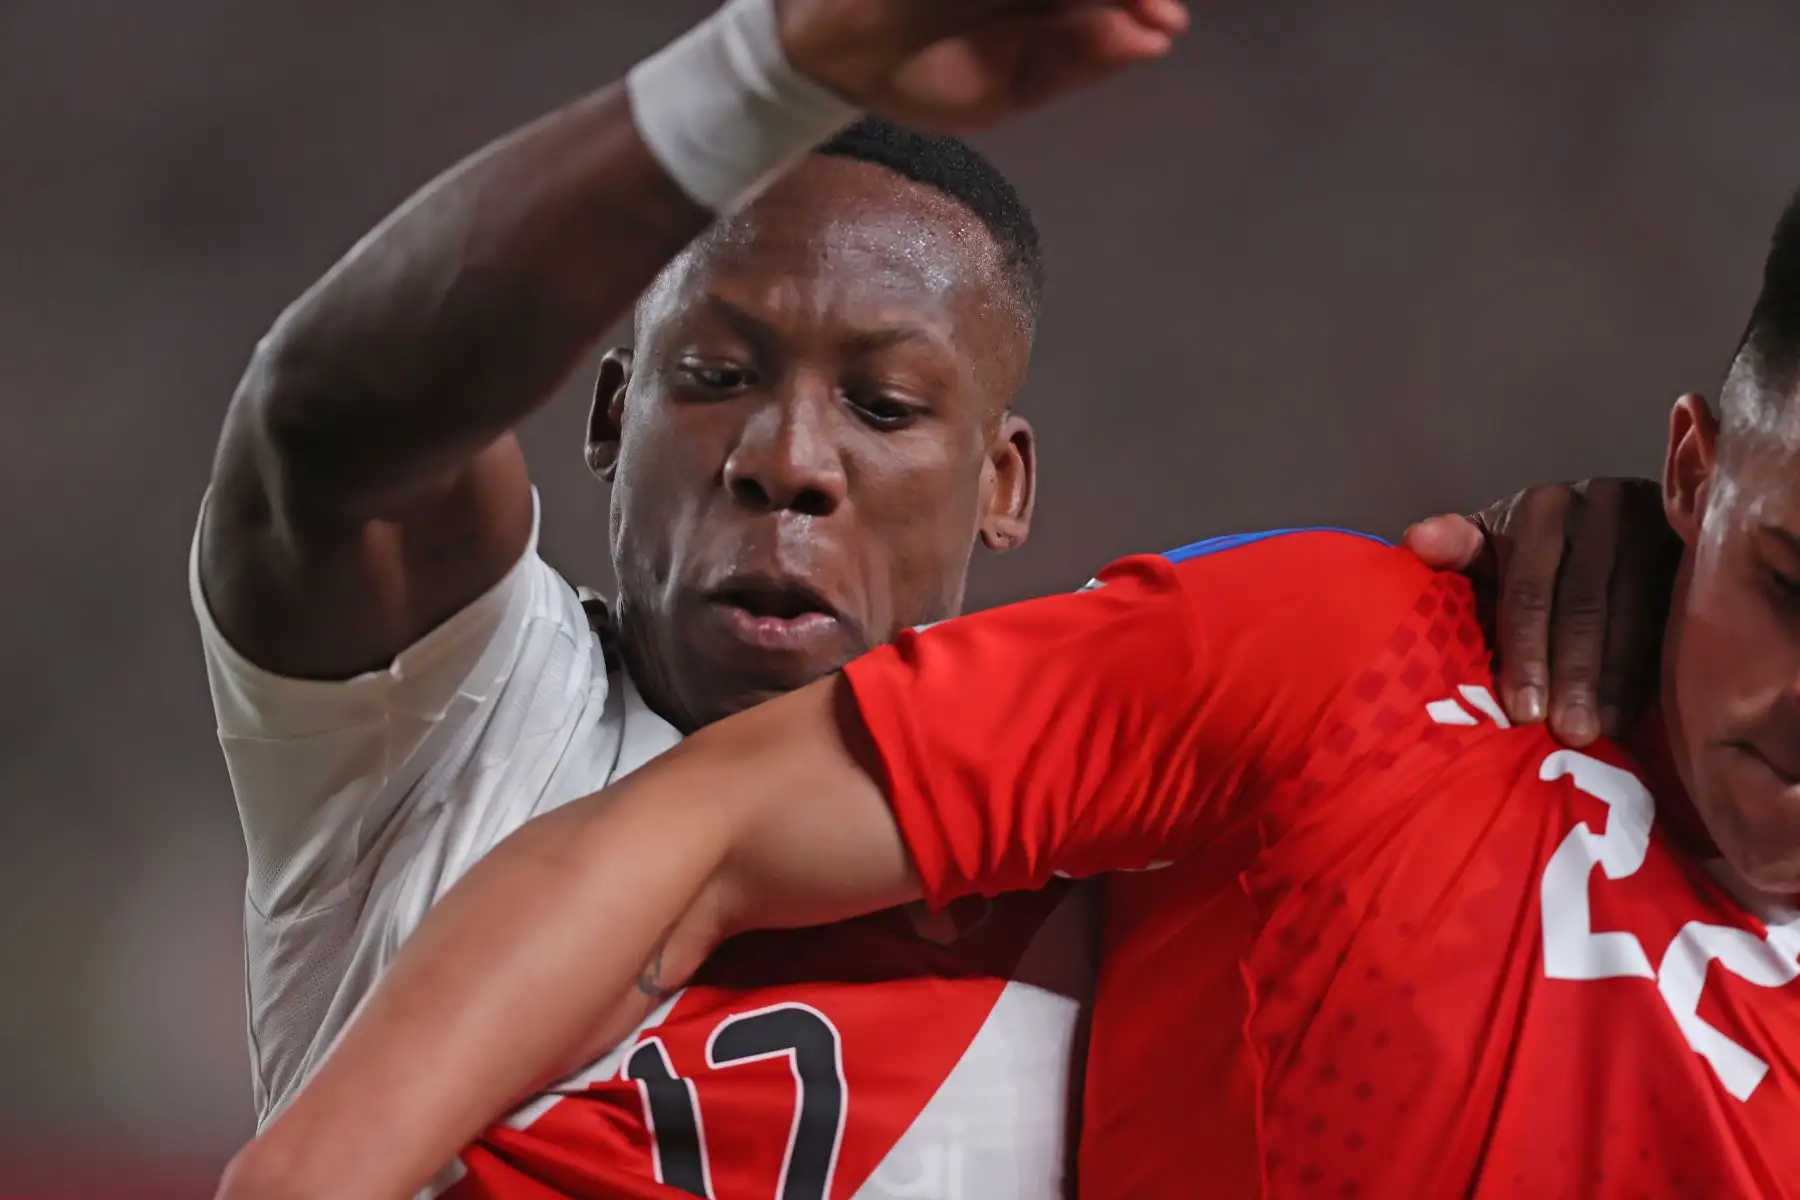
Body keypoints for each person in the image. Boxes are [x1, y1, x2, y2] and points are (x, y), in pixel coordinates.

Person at [200, 1, 1675, 1197]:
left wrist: (1656, 577)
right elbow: (323, 429)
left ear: (1004, 483)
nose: (788, 462)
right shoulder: (456, 717)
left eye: (887, 407)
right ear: (605, 418)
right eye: (715, 380)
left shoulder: (1139, 850)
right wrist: (754, 74)